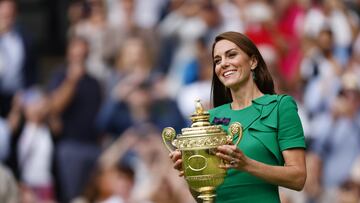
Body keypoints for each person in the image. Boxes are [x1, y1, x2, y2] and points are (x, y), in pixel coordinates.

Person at [169, 31, 306, 203]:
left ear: (253, 61)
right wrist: (193, 172)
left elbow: (298, 178)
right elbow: (202, 197)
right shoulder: (209, 117)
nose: (223, 64)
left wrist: (247, 165)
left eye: (231, 55)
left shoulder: (280, 106)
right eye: (217, 61)